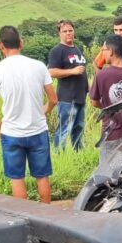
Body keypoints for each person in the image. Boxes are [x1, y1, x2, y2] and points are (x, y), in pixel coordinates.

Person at [0, 26, 56, 204]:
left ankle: (25, 218)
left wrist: (0, 128)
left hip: (11, 133)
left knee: (17, 178)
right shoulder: (39, 66)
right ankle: (46, 216)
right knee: (42, 177)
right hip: (38, 130)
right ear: (21, 43)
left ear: (1, 45)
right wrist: (44, 113)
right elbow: (53, 99)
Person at [46, 20, 88, 151]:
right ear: (59, 33)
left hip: (80, 97)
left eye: (70, 30)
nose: (68, 33)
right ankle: (59, 155)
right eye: (65, 31)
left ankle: (79, 154)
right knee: (64, 129)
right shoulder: (57, 51)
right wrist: (72, 71)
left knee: (79, 128)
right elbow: (51, 72)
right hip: (67, 98)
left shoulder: (77, 49)